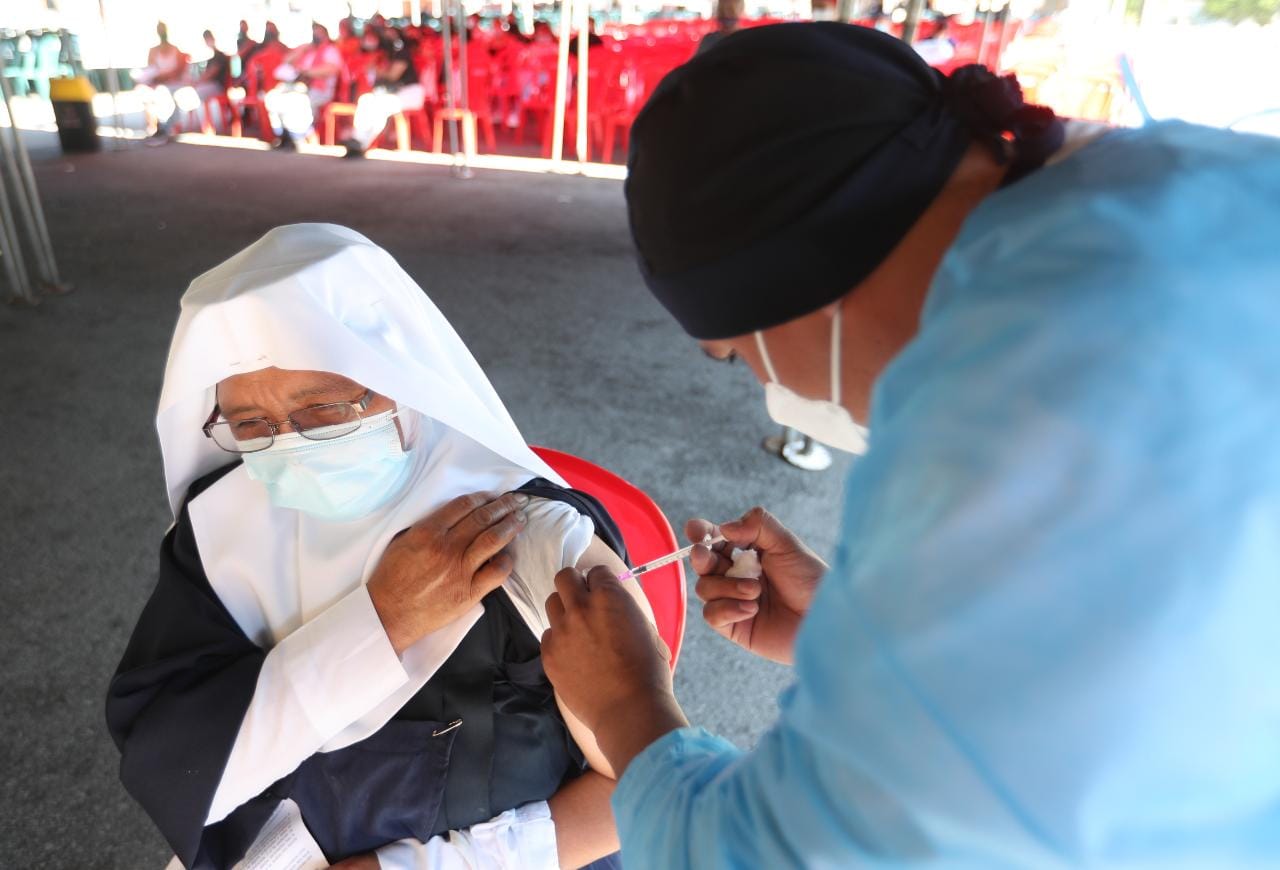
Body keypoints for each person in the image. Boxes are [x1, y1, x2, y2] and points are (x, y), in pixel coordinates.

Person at [539, 22, 1280, 868]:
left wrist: (628, 707)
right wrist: (867, 632)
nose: (767, 383)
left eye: (740, 353)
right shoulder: (1168, 184)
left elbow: (796, 853)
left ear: (790, 289)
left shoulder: (1002, 407)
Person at [106, 224, 651, 869]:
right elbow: (177, 758)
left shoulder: (534, 540)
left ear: (403, 377)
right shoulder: (226, 525)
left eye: (323, 410)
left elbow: (641, 788)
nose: (288, 446)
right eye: (251, 424)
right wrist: (383, 620)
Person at [341, 27, 426, 157]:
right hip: (394, 93)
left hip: (409, 93)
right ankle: (357, 138)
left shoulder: (402, 53)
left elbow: (393, 76)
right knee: (366, 99)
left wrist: (377, 70)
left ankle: (363, 143)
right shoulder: (386, 55)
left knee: (380, 107)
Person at [263, 22, 342, 149]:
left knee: (297, 100)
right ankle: (283, 134)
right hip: (300, 87)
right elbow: (286, 61)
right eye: (314, 32)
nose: (316, 34)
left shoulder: (331, 50)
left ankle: (297, 137)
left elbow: (333, 69)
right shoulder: (308, 51)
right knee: (273, 98)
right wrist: (302, 49)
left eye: (319, 32)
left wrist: (308, 73)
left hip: (320, 90)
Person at [137, 21, 188, 137]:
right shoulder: (153, 51)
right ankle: (157, 125)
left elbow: (180, 70)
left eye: (162, 29)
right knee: (152, 93)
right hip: (159, 83)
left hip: (174, 82)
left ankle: (168, 126)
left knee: (166, 93)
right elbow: (149, 70)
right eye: (159, 29)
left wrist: (167, 76)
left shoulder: (175, 49)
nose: (161, 32)